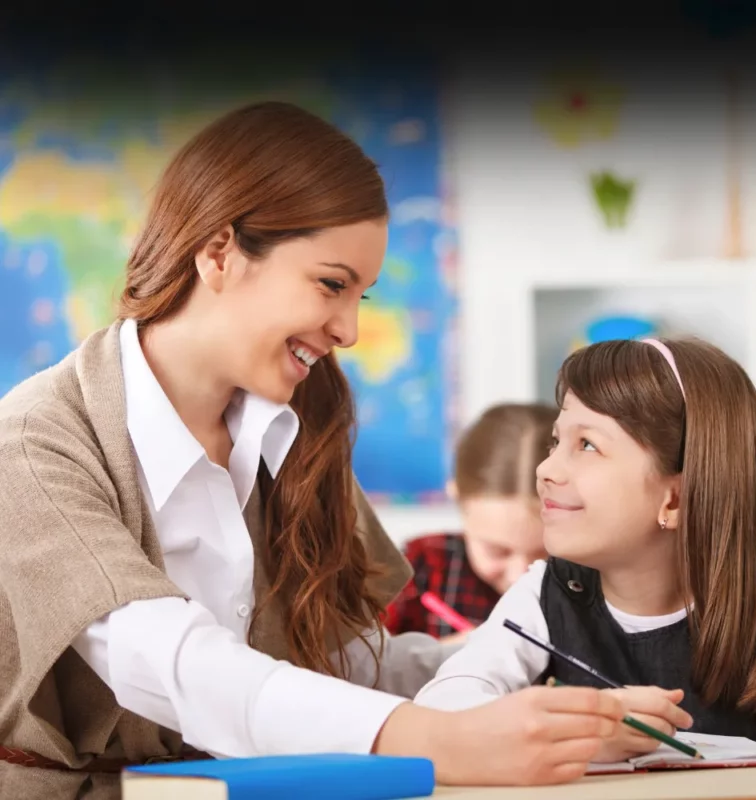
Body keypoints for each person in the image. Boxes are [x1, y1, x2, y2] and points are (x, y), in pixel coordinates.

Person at [0, 101, 631, 787]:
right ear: (219, 253)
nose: (350, 331)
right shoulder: (36, 445)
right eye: (332, 285)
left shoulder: (290, 435)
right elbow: (176, 669)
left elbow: (339, 664)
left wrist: (562, 675)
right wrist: (439, 738)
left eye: (361, 295)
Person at [416, 337, 756, 769]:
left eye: (586, 445)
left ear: (674, 498)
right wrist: (579, 727)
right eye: (555, 441)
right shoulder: (544, 595)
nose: (547, 469)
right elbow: (441, 709)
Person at [385, 402, 555, 640]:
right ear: (460, 502)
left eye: (548, 555)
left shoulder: (605, 579)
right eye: (497, 551)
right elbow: (362, 664)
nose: (519, 576)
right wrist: (439, 656)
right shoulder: (421, 568)